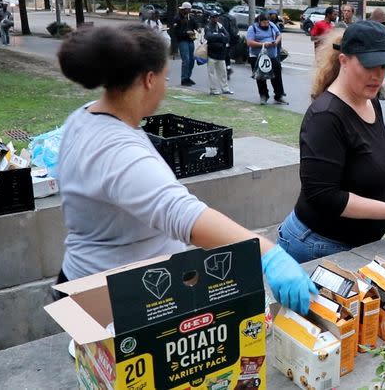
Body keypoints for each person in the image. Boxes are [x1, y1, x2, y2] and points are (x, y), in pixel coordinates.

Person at [53, 24, 315, 315]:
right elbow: (183, 215)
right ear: (149, 80)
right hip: (108, 301)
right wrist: (269, 255)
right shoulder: (118, 152)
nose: (166, 87)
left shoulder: (86, 116)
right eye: (165, 78)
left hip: (93, 282)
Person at [277, 21, 385, 263]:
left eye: (383, 66)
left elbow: (380, 172)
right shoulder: (326, 116)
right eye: (368, 65)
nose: (377, 75)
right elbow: (324, 196)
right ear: (343, 60)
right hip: (318, 246)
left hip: (358, 244)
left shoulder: (369, 100)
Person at [247, 13, 287, 105]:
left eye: (267, 22)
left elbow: (279, 35)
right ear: (259, 21)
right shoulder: (252, 28)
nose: (266, 24)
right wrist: (263, 44)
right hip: (257, 57)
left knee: (277, 75)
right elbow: (249, 42)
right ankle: (263, 96)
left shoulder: (272, 25)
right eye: (264, 23)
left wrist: (276, 42)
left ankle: (279, 96)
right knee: (260, 77)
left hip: (272, 55)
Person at [203, 11, 233, 96]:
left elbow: (227, 37)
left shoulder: (220, 26)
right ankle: (213, 89)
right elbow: (208, 36)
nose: (215, 18)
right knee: (211, 73)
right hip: (211, 54)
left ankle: (225, 88)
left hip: (221, 54)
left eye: (216, 17)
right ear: (210, 18)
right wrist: (220, 36)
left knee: (223, 72)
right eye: (213, 17)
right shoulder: (208, 26)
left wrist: (216, 36)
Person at [172, 2, 199, 86]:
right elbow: (176, 31)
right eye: (188, 9)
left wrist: (198, 28)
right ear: (184, 9)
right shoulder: (177, 18)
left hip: (191, 40)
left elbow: (195, 24)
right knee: (186, 60)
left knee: (191, 60)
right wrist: (185, 33)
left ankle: (188, 77)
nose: (190, 11)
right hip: (183, 41)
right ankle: (184, 78)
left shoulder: (190, 17)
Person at [217, 11, 239, 79]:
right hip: (231, 40)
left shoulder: (222, 18)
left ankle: (225, 70)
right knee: (227, 56)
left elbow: (221, 30)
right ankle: (228, 68)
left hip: (224, 40)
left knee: (222, 56)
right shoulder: (232, 18)